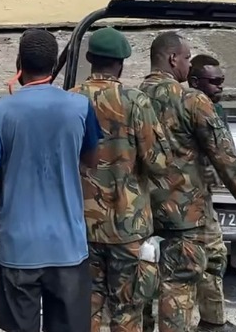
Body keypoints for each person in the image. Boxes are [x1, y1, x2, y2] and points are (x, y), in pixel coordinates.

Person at [140, 32, 236, 332]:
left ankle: (209, 323)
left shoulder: (133, 99)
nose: (188, 64)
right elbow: (226, 159)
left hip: (144, 208)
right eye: (187, 58)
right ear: (172, 59)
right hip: (184, 213)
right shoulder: (191, 100)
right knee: (178, 286)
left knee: (193, 263)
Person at [0, 29, 102, 332]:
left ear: (19, 63)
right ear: (54, 65)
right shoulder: (80, 106)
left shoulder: (1, 111)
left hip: (20, 248)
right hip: (68, 246)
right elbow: (92, 161)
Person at [72, 27, 168, 332]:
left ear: (89, 58)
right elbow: (158, 164)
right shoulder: (135, 101)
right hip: (128, 227)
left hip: (81, 224)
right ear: (122, 63)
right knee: (127, 308)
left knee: (87, 304)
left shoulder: (70, 100)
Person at [187, 55, 236, 332]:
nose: (220, 87)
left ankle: (212, 321)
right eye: (214, 82)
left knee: (214, 258)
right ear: (195, 81)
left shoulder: (217, 112)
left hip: (204, 198)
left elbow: (226, 152)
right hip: (177, 200)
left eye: (222, 81)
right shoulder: (179, 105)